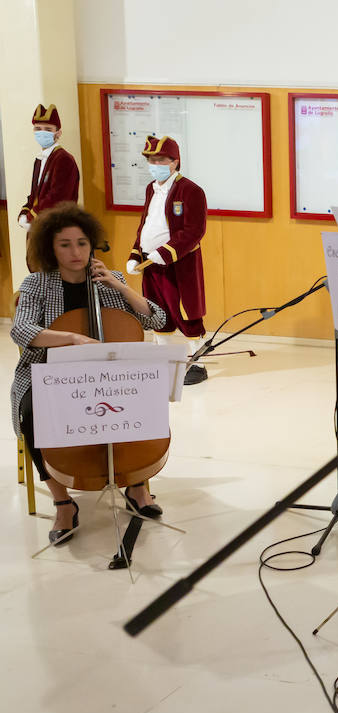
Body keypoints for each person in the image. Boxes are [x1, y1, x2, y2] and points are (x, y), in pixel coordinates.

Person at [12, 204, 168, 545]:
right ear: (50, 248)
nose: (75, 252)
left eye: (82, 243)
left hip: (110, 375)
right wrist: (71, 337)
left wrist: (121, 286)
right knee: (30, 416)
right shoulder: (37, 283)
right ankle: (63, 501)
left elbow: (157, 319)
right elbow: (21, 329)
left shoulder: (111, 280)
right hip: (49, 375)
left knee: (138, 403)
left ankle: (137, 485)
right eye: (64, 244)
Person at [125, 136, 210, 385]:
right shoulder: (151, 188)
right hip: (152, 264)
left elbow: (194, 230)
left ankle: (198, 363)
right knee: (156, 310)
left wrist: (166, 252)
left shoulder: (191, 190)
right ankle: (163, 360)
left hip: (179, 263)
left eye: (160, 159)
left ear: (174, 162)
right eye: (151, 160)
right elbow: (146, 225)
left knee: (187, 311)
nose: (155, 164)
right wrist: (135, 253)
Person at [17, 105, 80, 235]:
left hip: (57, 228)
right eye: (38, 129)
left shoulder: (63, 159)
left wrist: (30, 217)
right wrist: (24, 212)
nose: (42, 133)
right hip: (40, 228)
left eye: (48, 129)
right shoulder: (40, 160)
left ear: (58, 133)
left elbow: (57, 197)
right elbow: (34, 195)